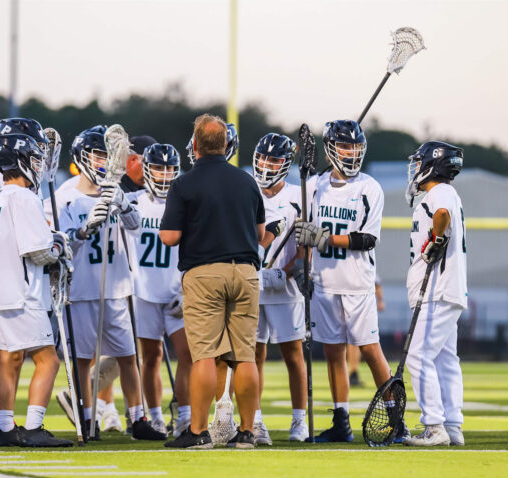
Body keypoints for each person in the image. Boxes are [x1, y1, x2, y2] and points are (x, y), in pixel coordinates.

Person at [295, 120, 408, 443]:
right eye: (345, 146)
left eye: (356, 147)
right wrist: (303, 265)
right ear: (331, 148)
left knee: (371, 350)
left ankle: (395, 419)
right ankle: (341, 419)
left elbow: (367, 239)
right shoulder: (315, 185)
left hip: (357, 282)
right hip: (325, 282)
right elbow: (305, 234)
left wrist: (324, 238)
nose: (352, 152)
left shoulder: (369, 187)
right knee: (332, 353)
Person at [160, 114, 265, 449]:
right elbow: (261, 233)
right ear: (226, 145)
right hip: (246, 272)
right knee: (244, 356)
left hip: (204, 272)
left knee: (204, 356)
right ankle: (247, 432)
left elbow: (169, 237)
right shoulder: (247, 181)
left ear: (195, 146)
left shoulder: (184, 183)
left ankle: (198, 432)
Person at [55, 125, 166, 441]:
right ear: (82, 156)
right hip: (80, 289)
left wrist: (123, 203)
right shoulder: (65, 196)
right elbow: (58, 245)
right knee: (82, 360)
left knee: (128, 357)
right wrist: (83, 230)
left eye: (106, 155)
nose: (103, 161)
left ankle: (138, 418)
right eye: (97, 155)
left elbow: (135, 229)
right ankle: (87, 418)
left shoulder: (116, 190)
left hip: (116, 287)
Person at [0, 133, 72, 447]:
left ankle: (5, 427)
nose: (37, 165)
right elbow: (38, 251)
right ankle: (33, 427)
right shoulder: (25, 198)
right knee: (49, 360)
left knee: (9, 358)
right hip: (22, 291)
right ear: (19, 162)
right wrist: (59, 247)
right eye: (33, 159)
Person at [403, 141, 467, 447]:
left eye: (419, 162)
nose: (415, 168)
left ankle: (434, 426)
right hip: (448, 289)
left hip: (436, 290)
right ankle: (452, 424)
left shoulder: (439, 193)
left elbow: (442, 215)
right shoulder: (448, 192)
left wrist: (437, 238)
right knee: (445, 359)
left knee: (417, 356)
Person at [131, 142, 192, 437]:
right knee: (151, 356)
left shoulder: (186, 201)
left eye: (169, 168)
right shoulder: (133, 202)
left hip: (176, 289)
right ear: (146, 169)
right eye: (158, 167)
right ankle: (154, 416)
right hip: (143, 288)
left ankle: (186, 415)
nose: (164, 174)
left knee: (187, 355)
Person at [251, 133, 309, 444]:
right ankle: (256, 420)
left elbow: (306, 245)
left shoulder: (300, 194)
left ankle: (300, 421)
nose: (265, 164)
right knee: (253, 355)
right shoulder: (246, 189)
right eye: (262, 158)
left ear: (285, 164)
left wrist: (290, 272)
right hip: (249, 283)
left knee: (293, 353)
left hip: (283, 286)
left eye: (273, 160)